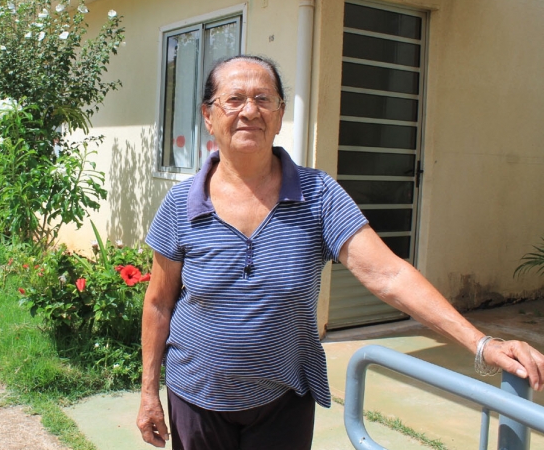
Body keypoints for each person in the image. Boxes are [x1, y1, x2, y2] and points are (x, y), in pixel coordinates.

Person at [136, 55, 544, 450]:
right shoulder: (180, 204)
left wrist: (481, 343)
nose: (249, 111)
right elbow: (158, 303)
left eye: (264, 99)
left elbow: (390, 275)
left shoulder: (318, 195)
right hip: (197, 400)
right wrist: (150, 392)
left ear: (279, 116)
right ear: (209, 116)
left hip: (284, 400)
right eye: (234, 99)